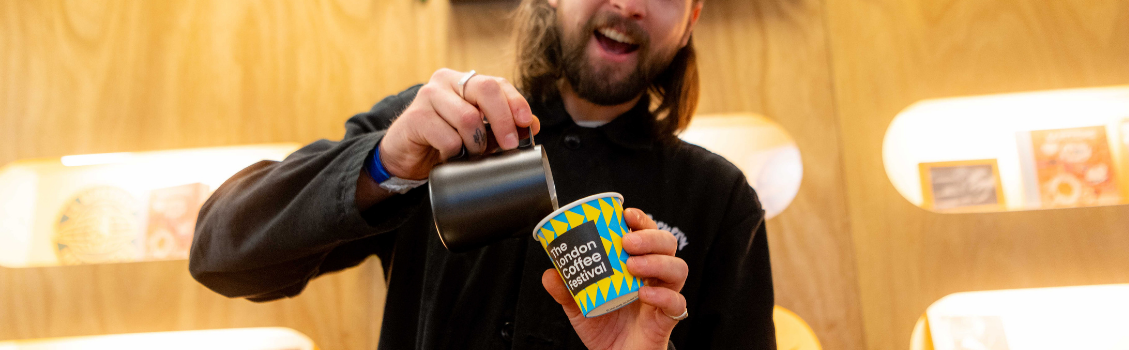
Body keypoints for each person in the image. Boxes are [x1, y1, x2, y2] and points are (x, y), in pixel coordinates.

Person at [189, 0, 775, 348]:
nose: (630, 4)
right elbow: (220, 253)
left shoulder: (719, 198)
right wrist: (384, 165)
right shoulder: (435, 128)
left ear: (692, 18)